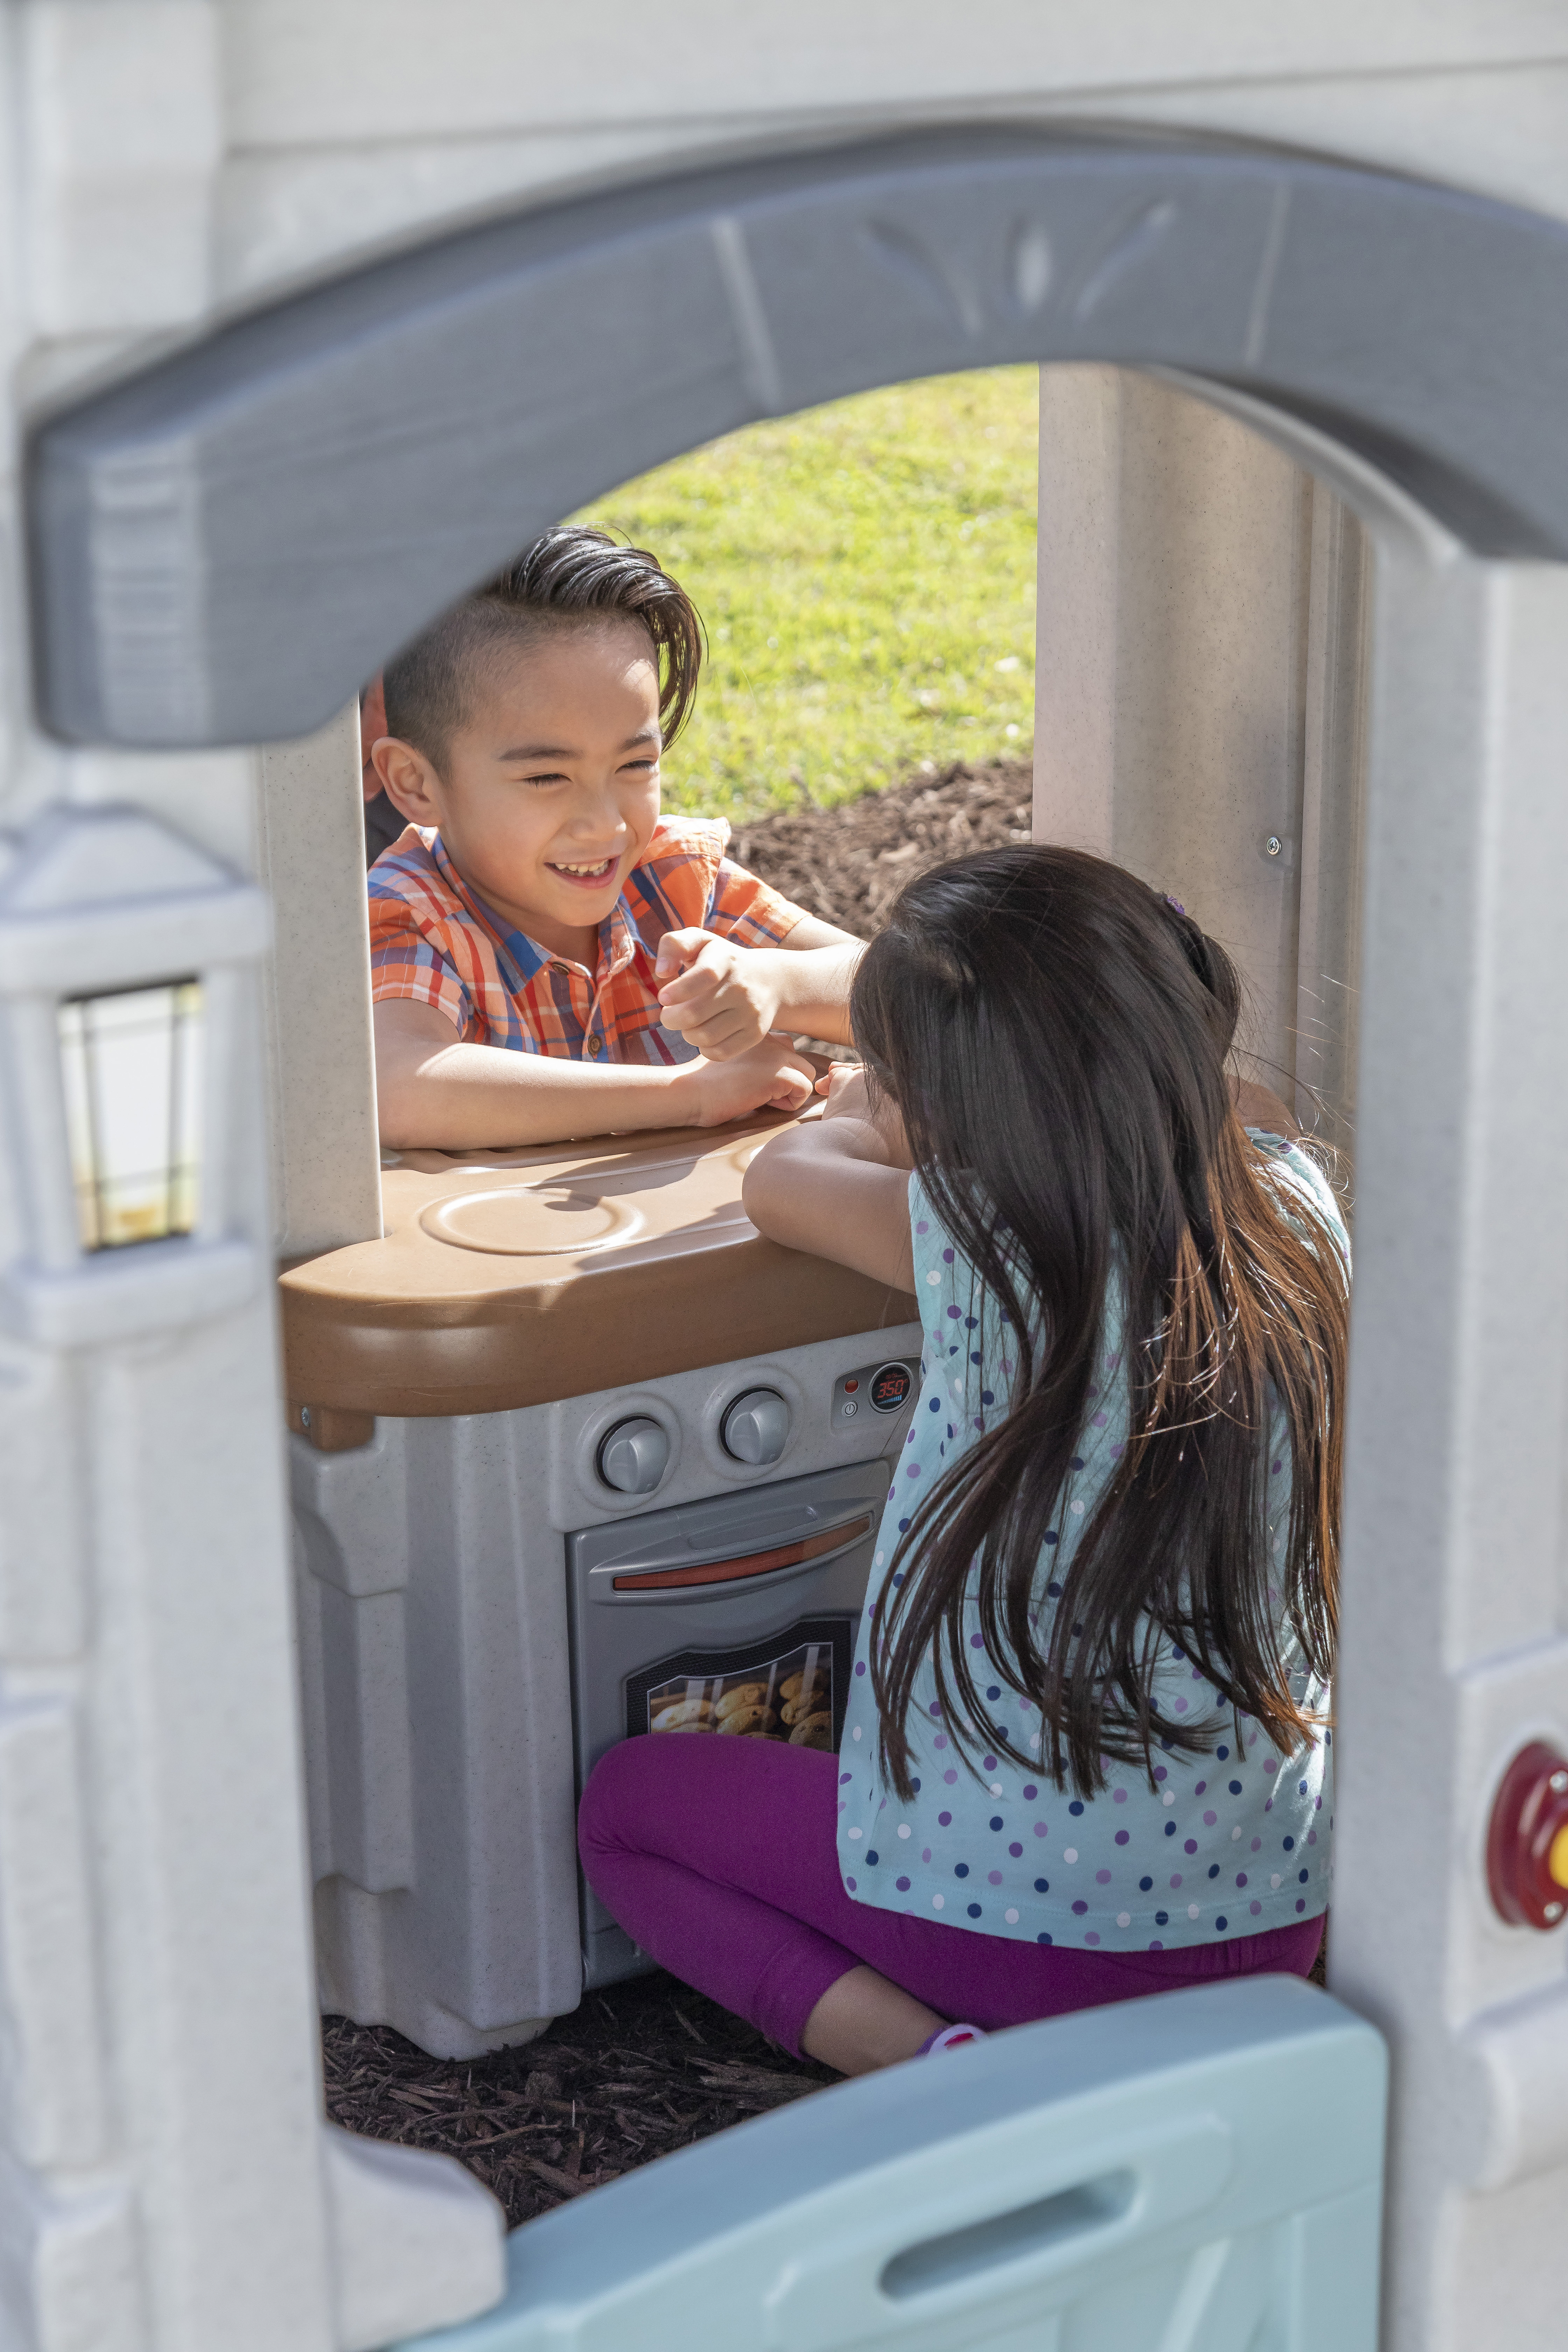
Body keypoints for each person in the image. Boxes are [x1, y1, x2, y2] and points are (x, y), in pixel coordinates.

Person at [579, 846, 1349, 2075]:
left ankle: (950, 2067)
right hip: (1271, 1916)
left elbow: (786, 1180)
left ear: (954, 1112)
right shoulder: (1298, 1213)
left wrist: (851, 1104)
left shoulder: (991, 1251)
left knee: (625, 1810)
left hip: (1024, 1937)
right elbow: (1238, 1111)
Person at [366, 526, 861, 1147]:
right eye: (547, 777)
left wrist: (780, 984)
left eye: (636, 766)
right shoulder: (409, 910)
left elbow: (919, 993)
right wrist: (689, 1093)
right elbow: (397, 1086)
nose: (607, 823)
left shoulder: (674, 878)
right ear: (415, 783)